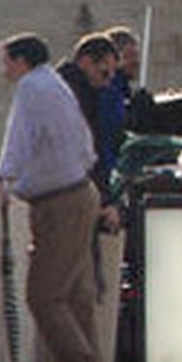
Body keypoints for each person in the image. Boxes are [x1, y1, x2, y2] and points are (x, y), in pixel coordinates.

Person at [0, 32, 108, 362]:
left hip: (60, 203)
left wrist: (3, 176)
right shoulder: (54, 85)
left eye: (5, 61)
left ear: (21, 61)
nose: (2, 69)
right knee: (77, 296)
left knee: (43, 296)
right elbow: (85, 145)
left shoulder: (31, 88)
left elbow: (20, 137)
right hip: (81, 192)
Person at [56, 33, 126, 234]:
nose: (107, 82)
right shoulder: (76, 96)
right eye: (104, 73)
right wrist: (106, 201)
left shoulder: (67, 89)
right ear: (86, 63)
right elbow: (89, 150)